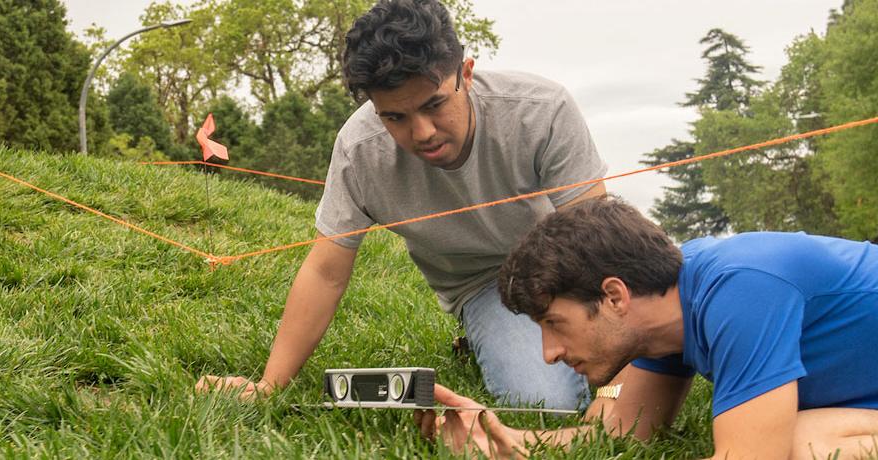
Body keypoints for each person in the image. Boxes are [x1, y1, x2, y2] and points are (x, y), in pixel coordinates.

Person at [414, 196, 878, 459]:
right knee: (803, 444)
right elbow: (617, 438)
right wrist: (499, 436)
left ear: (614, 295)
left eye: (554, 324)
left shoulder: (742, 285)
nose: (548, 351)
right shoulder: (663, 325)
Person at [193, 0, 613, 411]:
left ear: (465, 74)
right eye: (395, 117)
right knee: (542, 402)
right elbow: (325, 272)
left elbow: (596, 245)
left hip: (560, 264)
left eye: (434, 104)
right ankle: (489, 332)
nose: (423, 132)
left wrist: (618, 381)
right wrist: (269, 385)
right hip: (483, 285)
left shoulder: (542, 111)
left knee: (615, 353)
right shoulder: (359, 151)